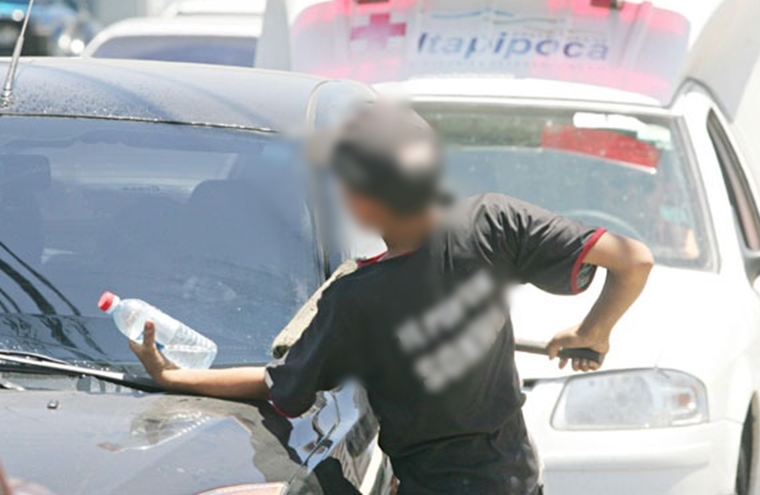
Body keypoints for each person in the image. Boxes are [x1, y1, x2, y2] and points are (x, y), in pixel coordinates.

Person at [130, 101, 653, 494]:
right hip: (517, 480)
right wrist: (593, 332)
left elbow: (279, 390)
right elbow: (634, 262)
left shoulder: (356, 299)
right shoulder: (493, 222)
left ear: (361, 203)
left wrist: (176, 377)